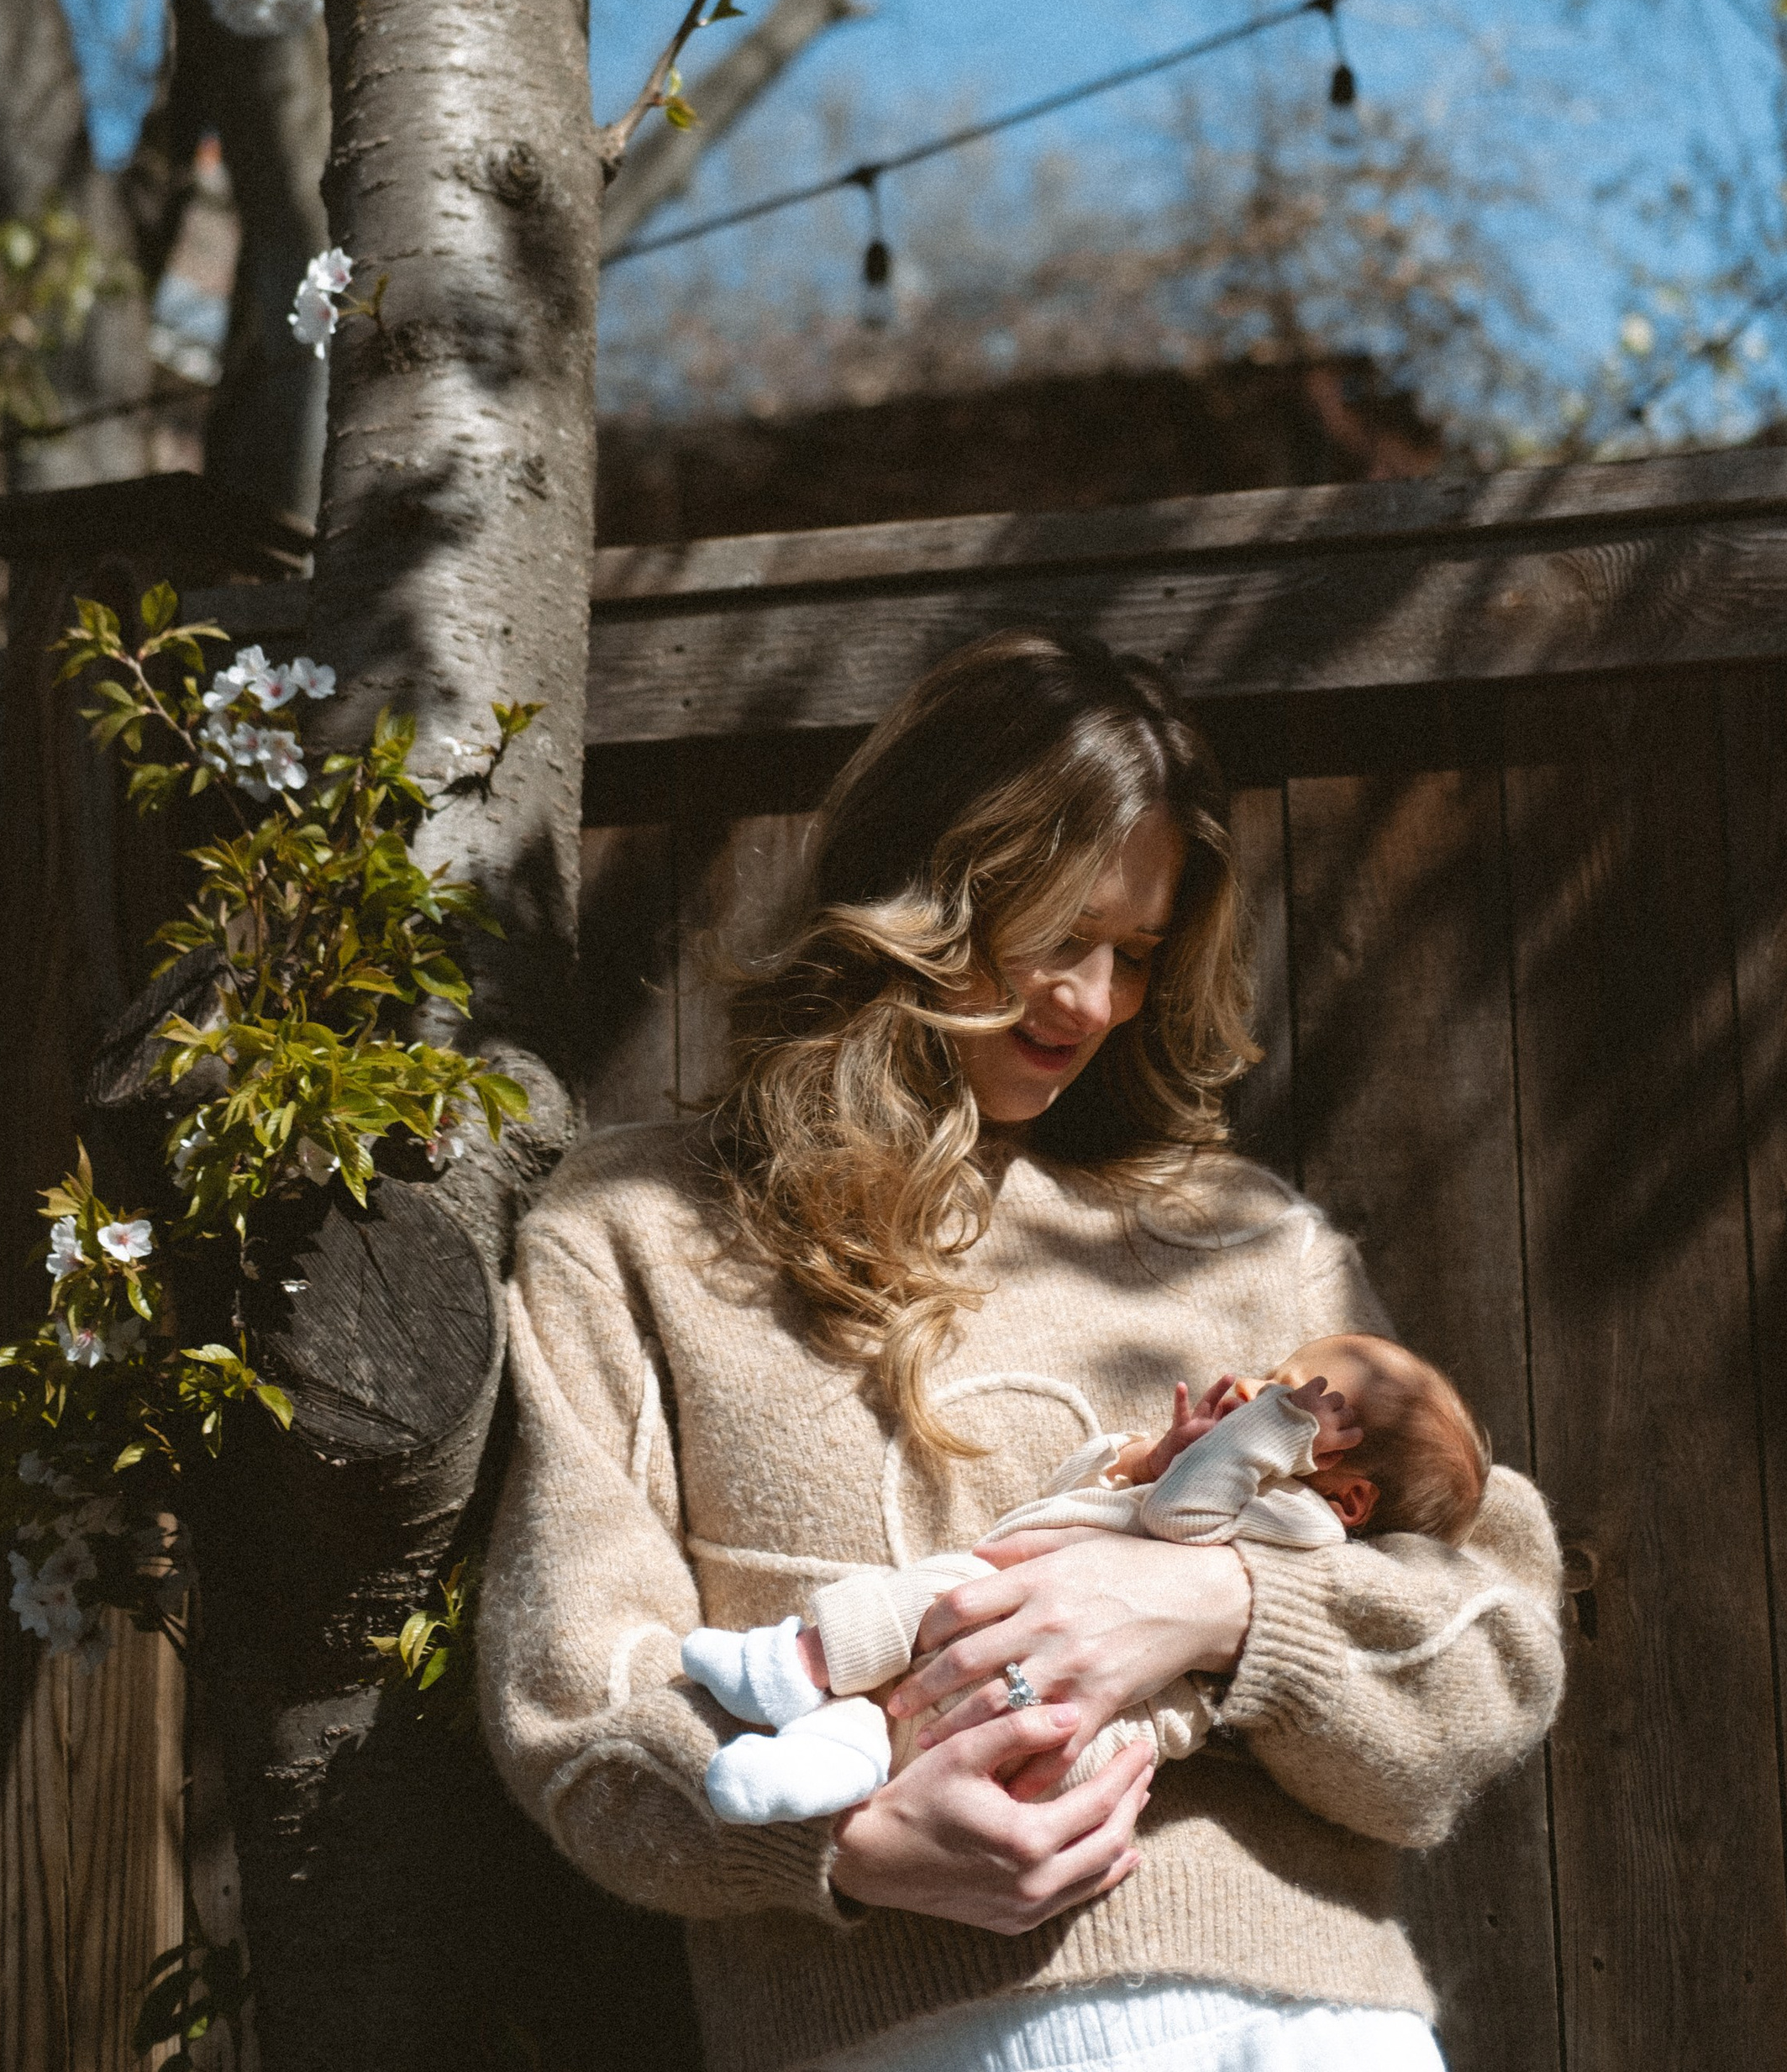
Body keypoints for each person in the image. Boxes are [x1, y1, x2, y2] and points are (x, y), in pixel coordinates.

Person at [480, 629, 1565, 2072]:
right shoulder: (634, 1236)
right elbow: (576, 1695)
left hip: (1306, 2029)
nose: (1095, 1006)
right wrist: (849, 1845)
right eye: (1059, 937)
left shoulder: (1251, 1245)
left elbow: (1490, 1633)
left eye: (1137, 955)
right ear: (920, 896)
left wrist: (1228, 1612)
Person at [680, 1332, 1490, 1825]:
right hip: (1028, 1645)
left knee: (930, 1601)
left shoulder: (1305, 1530)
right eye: (1271, 1380)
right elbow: (1072, 1501)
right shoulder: (1245, 1482)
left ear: (1350, 1498)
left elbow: (1178, 1522)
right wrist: (1149, 1460)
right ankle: (836, 1748)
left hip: (1098, 1718)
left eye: (1297, 1404)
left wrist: (1250, 1442)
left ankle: (797, 1668)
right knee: (934, 1637)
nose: (1256, 1396)